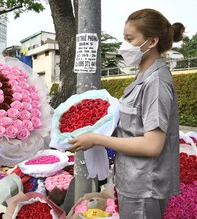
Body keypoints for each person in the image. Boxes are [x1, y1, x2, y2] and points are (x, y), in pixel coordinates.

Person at [69, 9, 184, 219]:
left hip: (144, 186)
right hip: (133, 179)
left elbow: (152, 144)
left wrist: (96, 138)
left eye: (130, 39)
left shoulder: (156, 83)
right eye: (124, 39)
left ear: (152, 41)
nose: (125, 46)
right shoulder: (143, 76)